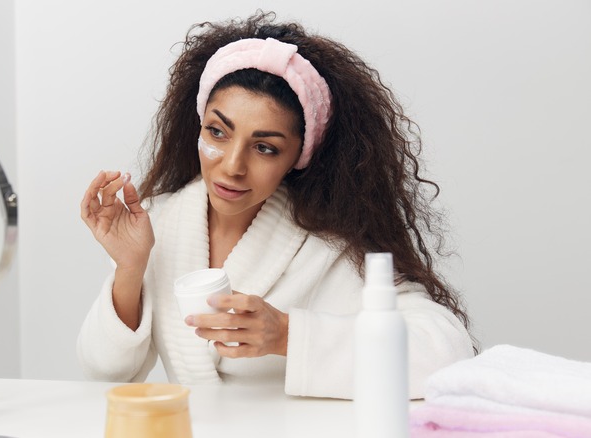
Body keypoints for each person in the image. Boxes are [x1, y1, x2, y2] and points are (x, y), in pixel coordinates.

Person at [78, 11, 474, 399]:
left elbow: (446, 353)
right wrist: (130, 269)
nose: (232, 166)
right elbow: (105, 375)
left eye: (265, 148)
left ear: (298, 157)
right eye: (217, 132)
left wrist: (287, 335)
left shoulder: (329, 248)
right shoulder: (158, 224)